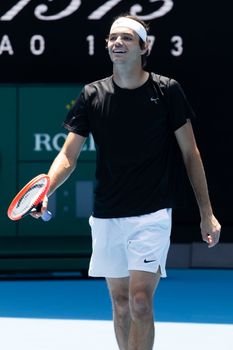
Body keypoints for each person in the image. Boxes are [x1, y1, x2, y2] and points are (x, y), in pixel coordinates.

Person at [32, 14, 221, 350]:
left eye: (126, 38)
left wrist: (206, 212)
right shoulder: (92, 94)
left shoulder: (167, 91)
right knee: (120, 306)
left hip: (152, 214)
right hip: (107, 214)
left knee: (140, 302)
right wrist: (47, 188)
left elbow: (191, 154)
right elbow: (67, 156)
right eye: (112, 38)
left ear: (143, 47)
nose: (116, 43)